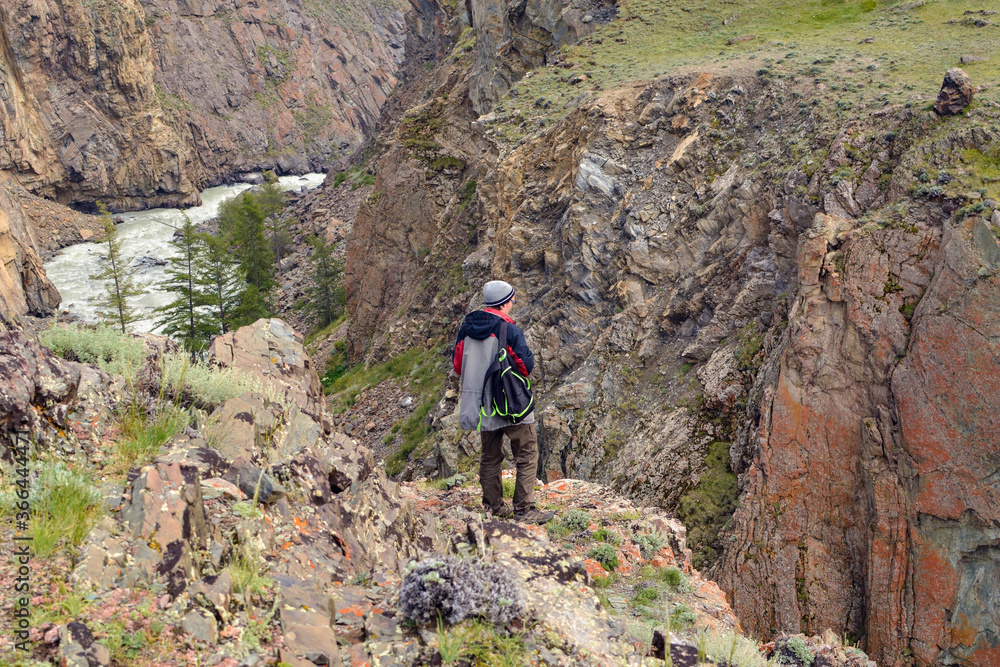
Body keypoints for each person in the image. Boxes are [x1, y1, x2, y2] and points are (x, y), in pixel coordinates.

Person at [453, 280, 554, 524]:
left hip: (482, 403)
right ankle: (523, 509)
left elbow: (458, 367)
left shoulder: (467, 328)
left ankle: (494, 507)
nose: (513, 303)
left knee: (490, 456)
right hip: (510, 402)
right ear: (506, 302)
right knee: (527, 451)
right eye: (513, 299)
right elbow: (525, 367)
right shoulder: (509, 330)